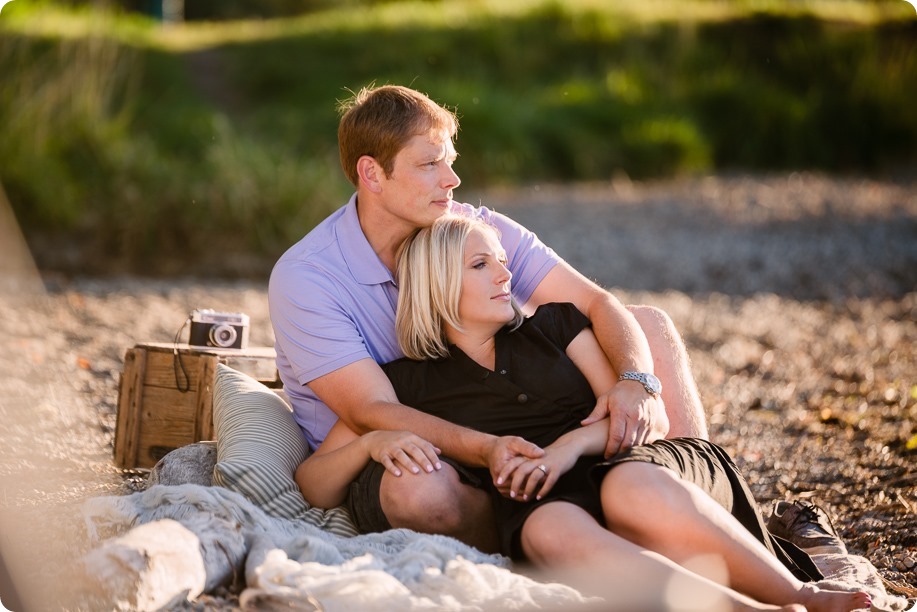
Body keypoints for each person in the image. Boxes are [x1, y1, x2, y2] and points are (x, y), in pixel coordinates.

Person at [295, 215, 870, 612]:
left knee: (628, 489)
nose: (504, 274)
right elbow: (314, 485)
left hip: (641, 467)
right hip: (552, 504)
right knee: (544, 529)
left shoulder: (557, 327)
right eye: (480, 266)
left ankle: (802, 594)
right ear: (436, 285)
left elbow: (650, 424)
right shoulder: (407, 386)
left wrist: (571, 445)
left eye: (501, 261)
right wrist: (371, 443)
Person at [269, 84, 706, 551]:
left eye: (450, 160)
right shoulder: (308, 277)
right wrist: (486, 449)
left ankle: (697, 512)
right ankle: (540, 547)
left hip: (495, 417)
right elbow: (373, 412)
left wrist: (636, 381)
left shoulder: (472, 226)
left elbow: (598, 303)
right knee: (420, 488)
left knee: (648, 326)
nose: (452, 179)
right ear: (372, 174)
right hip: (398, 447)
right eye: (429, 164)